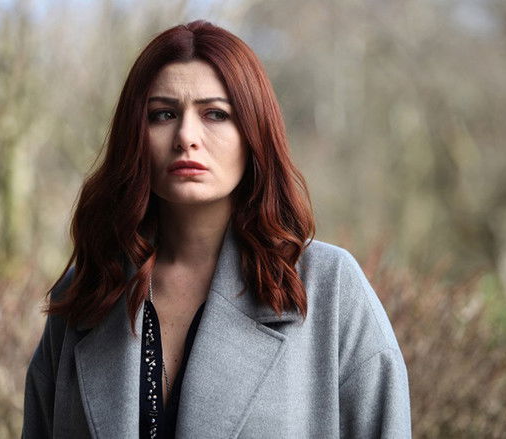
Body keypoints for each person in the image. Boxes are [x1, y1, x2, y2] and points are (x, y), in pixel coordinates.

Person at [22, 20, 410, 438]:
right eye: (163, 114)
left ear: (254, 133)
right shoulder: (86, 291)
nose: (186, 136)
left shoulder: (329, 288)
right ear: (134, 135)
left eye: (215, 114)